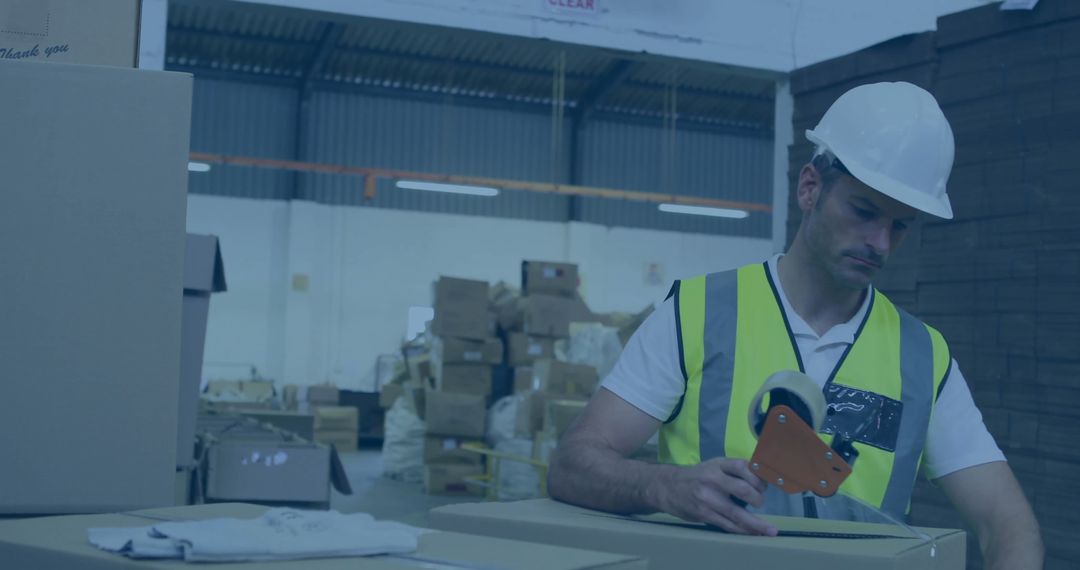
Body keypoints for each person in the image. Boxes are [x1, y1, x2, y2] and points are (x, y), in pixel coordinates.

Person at [548, 82, 1044, 570]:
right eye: (864, 211)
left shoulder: (923, 357)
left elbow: (1008, 523)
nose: (880, 242)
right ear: (810, 188)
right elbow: (572, 464)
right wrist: (662, 485)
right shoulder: (696, 315)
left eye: (900, 225)